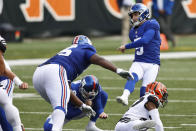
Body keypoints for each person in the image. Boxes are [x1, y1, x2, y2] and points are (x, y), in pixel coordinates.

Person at [33, 35, 132, 131]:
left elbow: (67, 90)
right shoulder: (84, 48)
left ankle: (53, 124)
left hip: (38, 74)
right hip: (55, 70)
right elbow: (98, 59)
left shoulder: (70, 52)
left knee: (61, 106)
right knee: (61, 107)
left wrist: (81, 105)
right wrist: (117, 70)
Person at [116, 3, 161, 106]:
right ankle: (124, 97)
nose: (134, 17)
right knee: (131, 77)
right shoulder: (132, 32)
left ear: (143, 14)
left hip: (152, 64)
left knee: (145, 90)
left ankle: (143, 112)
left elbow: (145, 40)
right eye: (132, 15)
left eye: (136, 14)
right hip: (139, 61)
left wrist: (126, 46)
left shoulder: (152, 24)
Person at [44, 75, 108, 131]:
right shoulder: (72, 89)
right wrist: (83, 106)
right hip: (69, 111)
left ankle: (91, 125)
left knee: (104, 95)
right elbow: (65, 109)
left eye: (92, 95)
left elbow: (98, 102)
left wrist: (101, 111)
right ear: (81, 88)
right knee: (48, 127)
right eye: (87, 94)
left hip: (86, 109)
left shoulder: (96, 88)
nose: (90, 96)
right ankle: (52, 119)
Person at [0, 35, 28, 131]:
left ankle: (17, 126)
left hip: (3, 81)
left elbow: (5, 72)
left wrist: (19, 83)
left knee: (5, 106)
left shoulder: (2, 61)